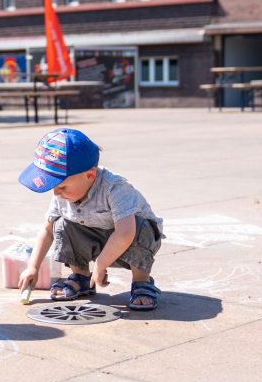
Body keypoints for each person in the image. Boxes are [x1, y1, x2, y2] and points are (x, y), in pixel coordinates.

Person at [16, 128, 164, 310]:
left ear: (90, 175)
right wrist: (33, 267)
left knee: (141, 226)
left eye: (61, 186)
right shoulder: (63, 195)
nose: (56, 192)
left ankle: (141, 282)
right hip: (96, 241)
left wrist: (101, 265)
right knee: (61, 224)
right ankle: (81, 276)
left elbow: (125, 233)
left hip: (130, 244)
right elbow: (47, 231)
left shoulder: (115, 188)